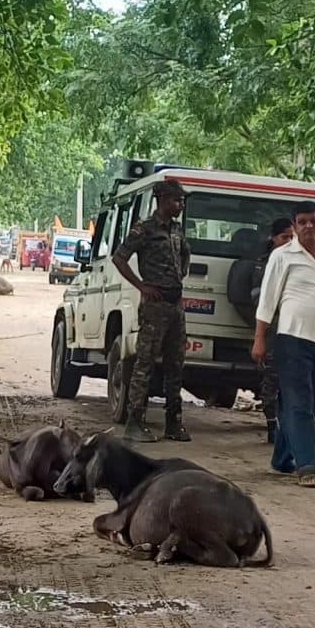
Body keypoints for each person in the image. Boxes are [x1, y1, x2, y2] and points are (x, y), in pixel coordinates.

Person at [252, 204, 315, 487]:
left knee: (311, 400)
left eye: (313, 221)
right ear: (294, 226)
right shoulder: (282, 256)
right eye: (301, 222)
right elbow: (268, 299)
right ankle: (306, 464)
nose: (308, 227)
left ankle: (281, 458)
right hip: (293, 338)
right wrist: (259, 339)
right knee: (299, 401)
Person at [110, 179, 193, 442]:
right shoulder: (144, 229)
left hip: (174, 304)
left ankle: (173, 422)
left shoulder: (178, 230)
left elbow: (184, 259)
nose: (179, 205)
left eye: (181, 201)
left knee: (175, 365)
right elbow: (119, 258)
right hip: (155, 305)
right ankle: (135, 421)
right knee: (144, 363)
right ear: (162, 199)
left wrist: (176, 285)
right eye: (175, 200)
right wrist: (142, 285)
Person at [254, 217, 295, 435]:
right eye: (284, 237)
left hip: (295, 330)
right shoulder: (266, 262)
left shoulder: (299, 259)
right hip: (273, 330)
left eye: (292, 236)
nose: (289, 241)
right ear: (273, 238)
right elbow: (259, 298)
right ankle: (272, 425)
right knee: (272, 379)